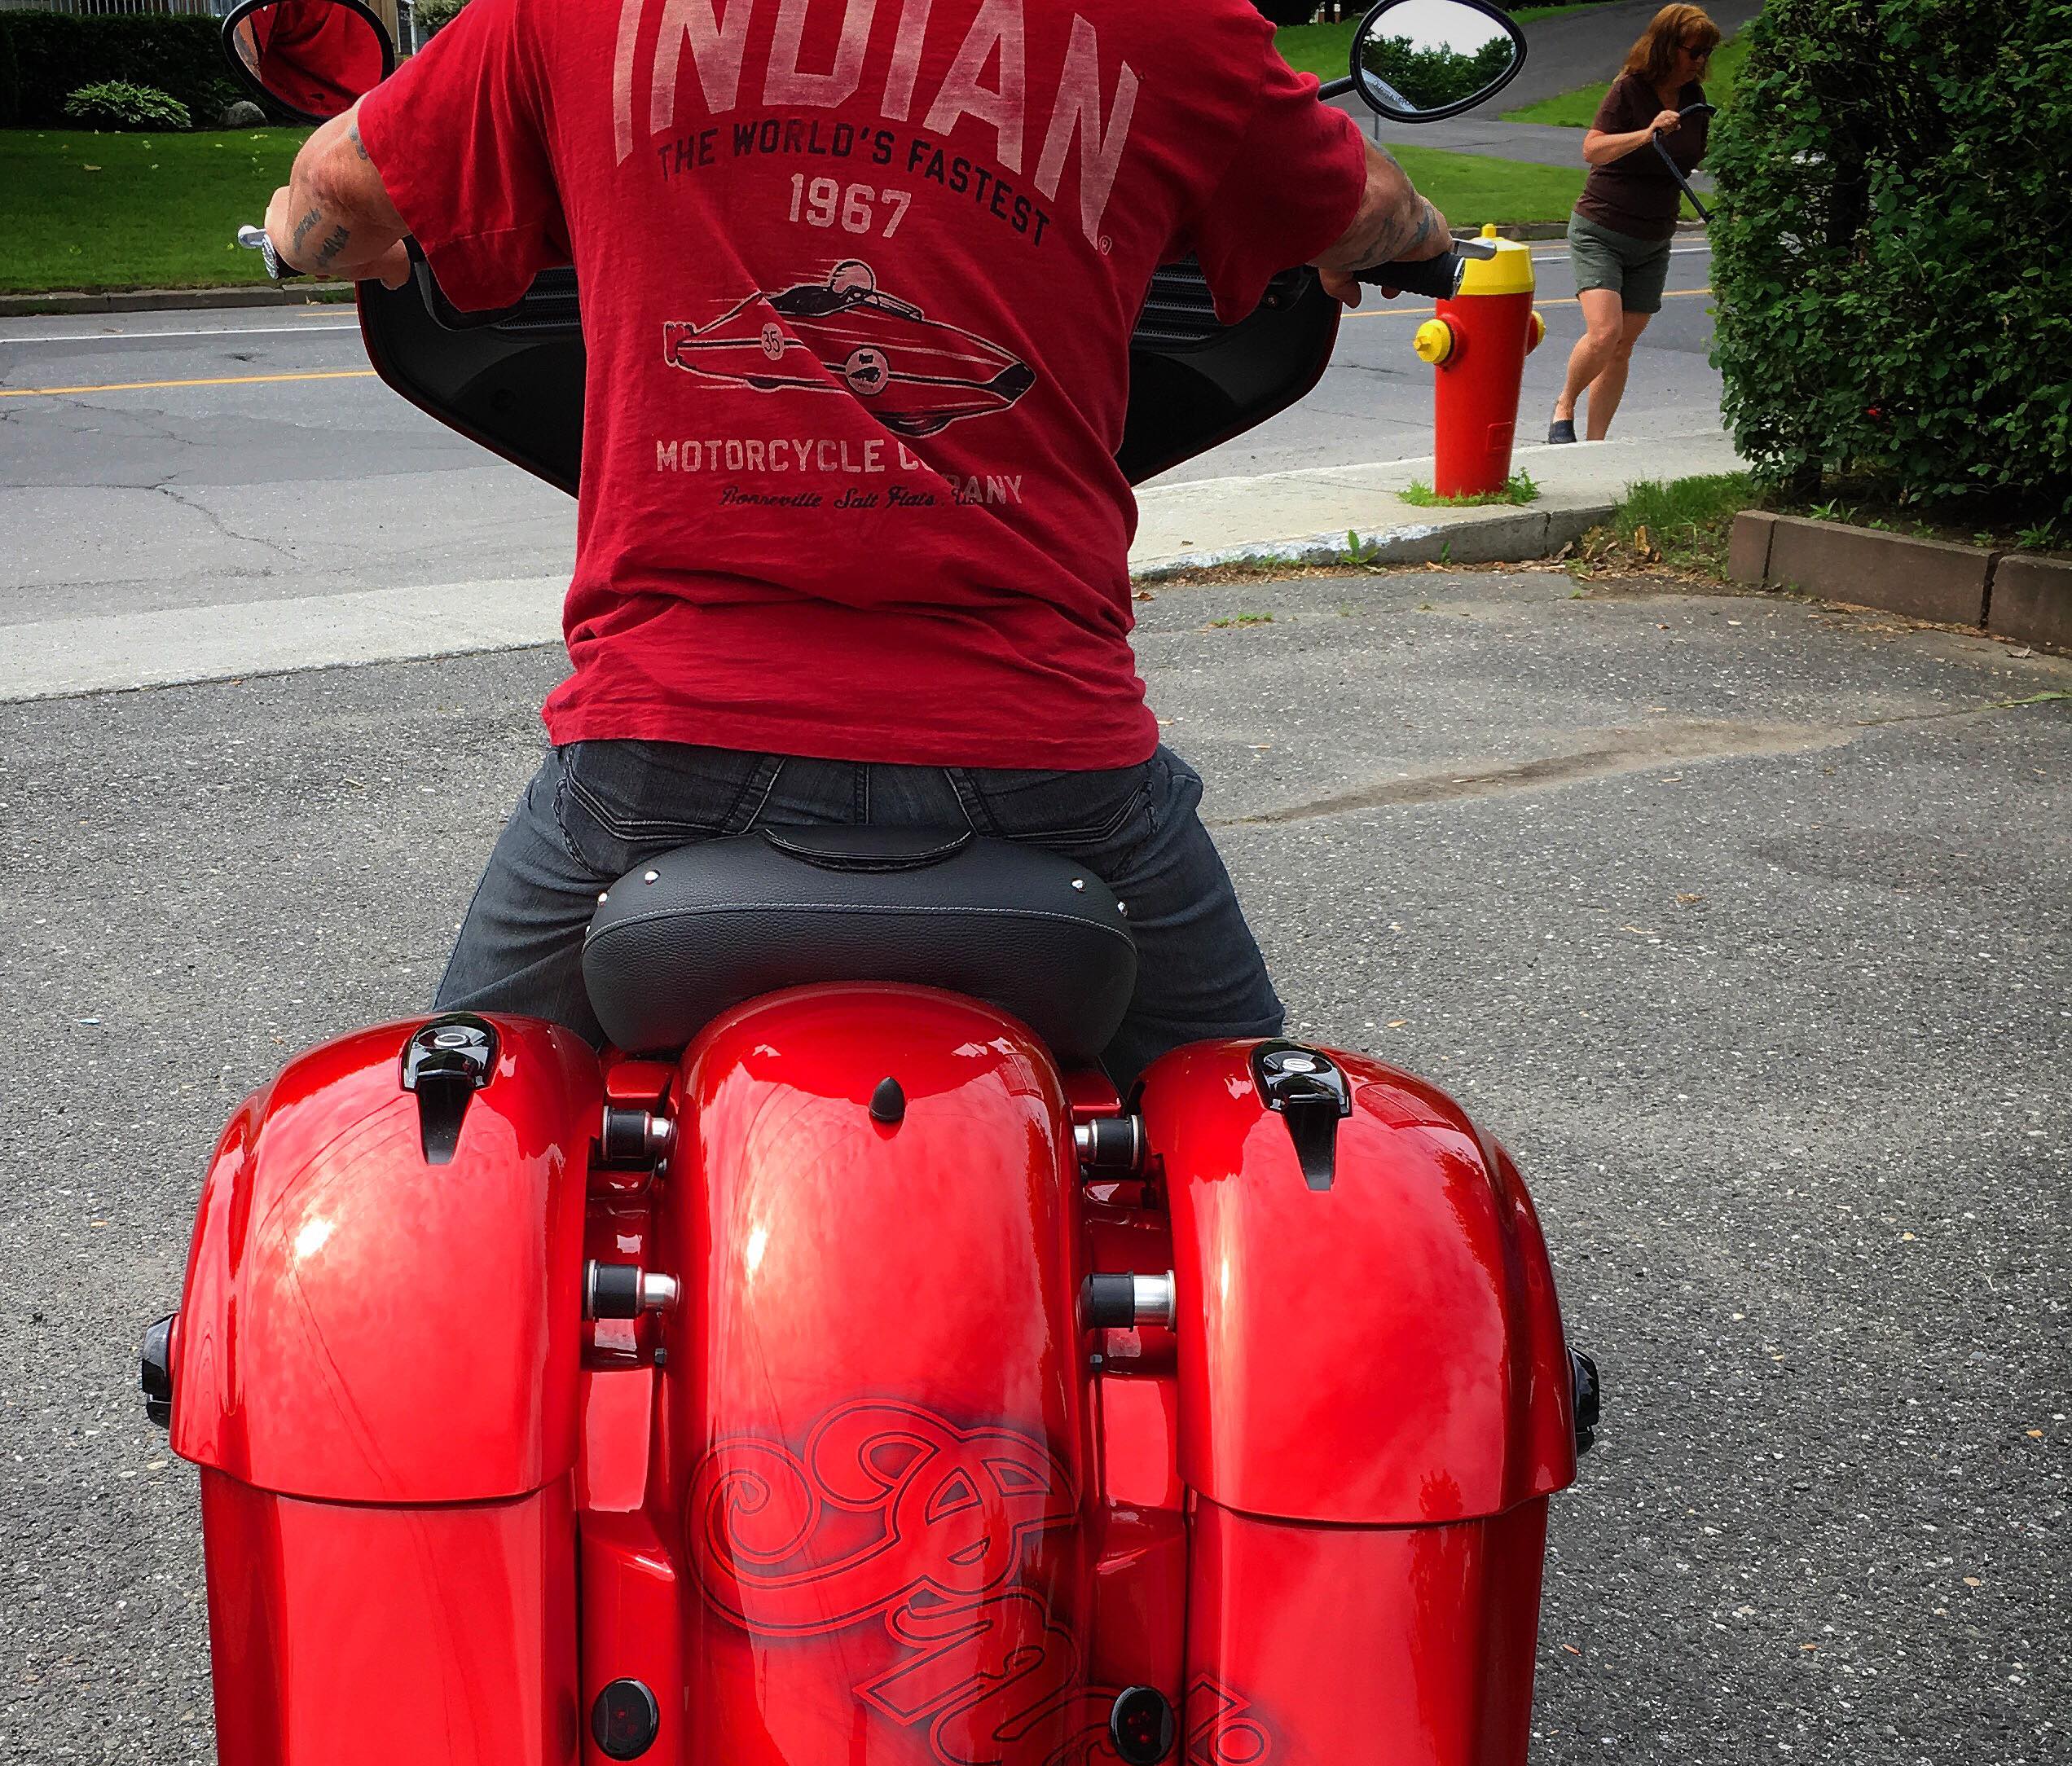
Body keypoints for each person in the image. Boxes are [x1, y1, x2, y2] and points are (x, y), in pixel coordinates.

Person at [264, 0, 1451, 1088]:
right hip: (1047, 751)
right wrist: (1414, 241)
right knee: (1260, 1126)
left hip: (664, 749)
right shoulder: (1174, 24)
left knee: (449, 1137)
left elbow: (334, 185)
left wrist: (314, 241)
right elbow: (1373, 207)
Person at [1548, 2, 1718, 443]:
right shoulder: (1629, 89)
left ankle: (1596, 444)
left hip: (1653, 236)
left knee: (1623, 346)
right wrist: (1647, 134)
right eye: (1694, 51)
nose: (1701, 62)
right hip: (1601, 227)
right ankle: (1563, 406)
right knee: (1605, 333)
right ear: (1667, 47)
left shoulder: (1694, 99)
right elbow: (1592, 149)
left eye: (1707, 54)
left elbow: (1696, 155)